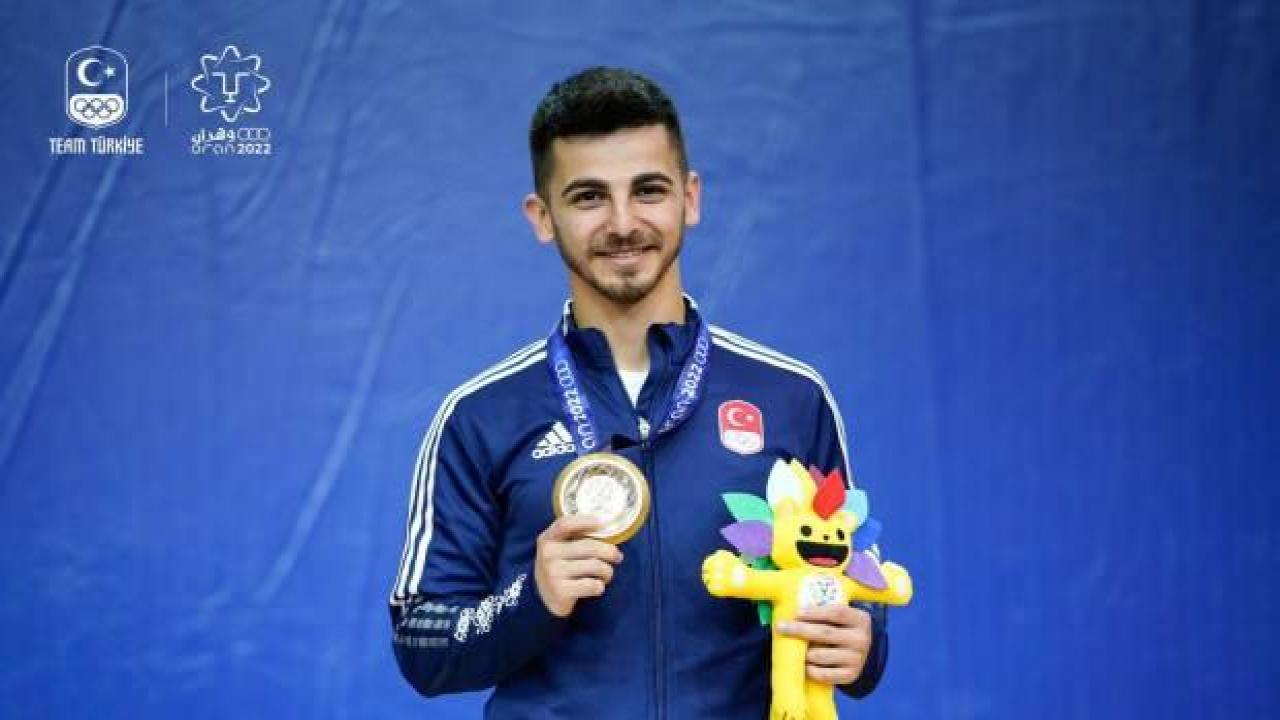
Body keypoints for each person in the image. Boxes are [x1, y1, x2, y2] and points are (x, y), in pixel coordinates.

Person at [389, 66, 890, 718]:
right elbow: (421, 640)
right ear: (542, 217)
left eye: (648, 190)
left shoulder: (791, 397)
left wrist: (863, 647)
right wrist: (532, 596)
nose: (623, 223)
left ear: (690, 199)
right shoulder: (481, 416)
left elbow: (855, 588)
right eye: (589, 197)